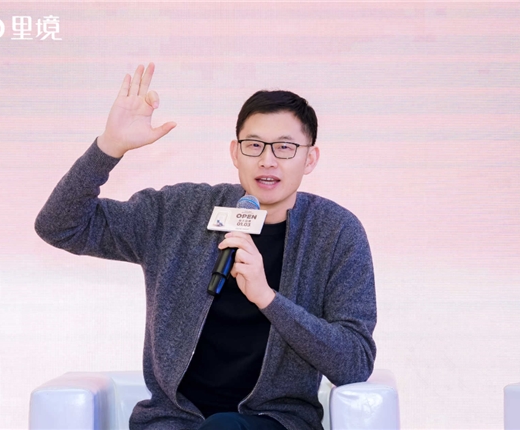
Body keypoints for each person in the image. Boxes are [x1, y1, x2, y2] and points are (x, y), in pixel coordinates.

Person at [35, 63, 376, 430]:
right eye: (254, 145)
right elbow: (59, 225)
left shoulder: (336, 233)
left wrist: (267, 298)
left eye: (284, 147)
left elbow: (354, 363)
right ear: (235, 153)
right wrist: (108, 148)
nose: (267, 160)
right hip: (173, 421)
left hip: (274, 422)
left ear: (310, 159)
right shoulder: (179, 212)